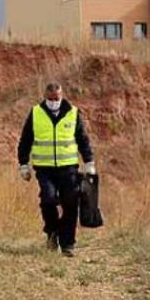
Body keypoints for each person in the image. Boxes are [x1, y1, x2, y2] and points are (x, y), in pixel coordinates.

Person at [17, 83, 95, 257]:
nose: (53, 102)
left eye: (56, 98)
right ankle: (52, 233)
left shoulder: (73, 113)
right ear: (45, 96)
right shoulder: (36, 113)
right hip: (44, 169)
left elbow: (83, 139)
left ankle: (68, 243)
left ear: (62, 96)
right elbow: (25, 141)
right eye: (50, 99)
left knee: (70, 204)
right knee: (48, 199)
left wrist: (89, 162)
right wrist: (23, 164)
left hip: (68, 168)